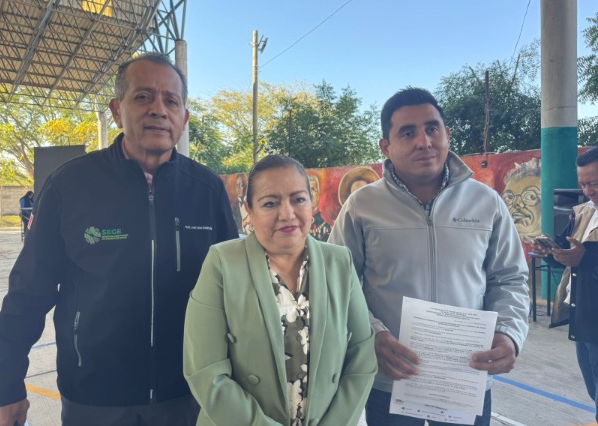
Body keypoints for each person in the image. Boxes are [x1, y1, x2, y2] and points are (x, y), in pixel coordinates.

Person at [0, 53, 238, 426]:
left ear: (184, 117)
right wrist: (6, 384)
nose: (159, 110)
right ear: (116, 111)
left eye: (171, 101)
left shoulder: (207, 190)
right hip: (94, 397)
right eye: (143, 97)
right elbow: (29, 291)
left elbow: (235, 294)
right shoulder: (69, 186)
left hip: (189, 393)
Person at [328, 87, 530, 426]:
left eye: (432, 128)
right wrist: (371, 334)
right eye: (408, 133)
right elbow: (338, 284)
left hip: (465, 379)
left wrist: (509, 333)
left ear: (447, 134)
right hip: (390, 379)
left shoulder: (486, 203)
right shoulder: (361, 207)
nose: (424, 141)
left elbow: (509, 278)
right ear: (385, 147)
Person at [183, 155, 377, 426]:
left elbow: (362, 358)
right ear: (249, 210)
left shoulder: (339, 262)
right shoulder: (222, 263)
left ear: (312, 203)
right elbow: (205, 371)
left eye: (298, 199)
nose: (287, 214)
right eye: (270, 203)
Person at [531, 146, 598, 423]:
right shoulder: (584, 212)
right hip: (583, 314)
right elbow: (570, 255)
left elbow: (585, 259)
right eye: (583, 184)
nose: (588, 191)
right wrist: (552, 253)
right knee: (593, 388)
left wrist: (587, 259)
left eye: (594, 183)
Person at [308, 174, 331, 241]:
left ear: (318, 194)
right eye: (307, 190)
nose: (311, 194)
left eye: (313, 189)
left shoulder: (326, 221)